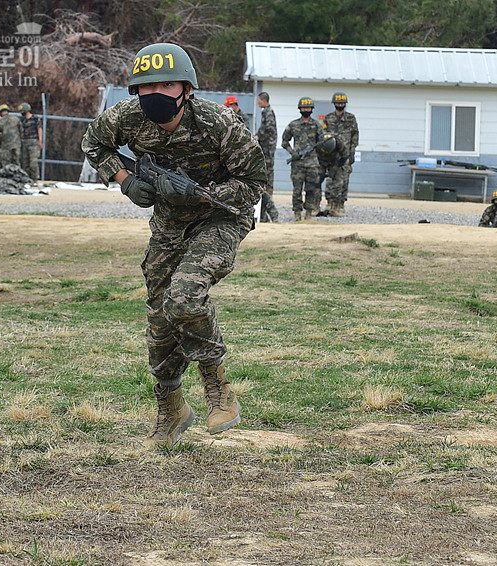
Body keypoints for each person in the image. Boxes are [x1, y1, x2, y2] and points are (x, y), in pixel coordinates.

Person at [81, 42, 266, 449]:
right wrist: (125, 180)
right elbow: (93, 143)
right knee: (160, 320)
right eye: (147, 88)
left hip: (219, 217)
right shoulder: (127, 118)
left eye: (166, 85)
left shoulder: (219, 124)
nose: (156, 95)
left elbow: (254, 185)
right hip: (168, 225)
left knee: (184, 297)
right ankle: (171, 410)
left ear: (186, 88)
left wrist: (198, 193)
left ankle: (219, 389)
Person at [282, 97, 322, 220]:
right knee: (297, 190)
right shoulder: (293, 125)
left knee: (311, 190)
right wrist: (292, 152)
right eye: (304, 108)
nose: (306, 110)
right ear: (300, 109)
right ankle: (297, 214)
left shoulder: (316, 125)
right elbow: (284, 141)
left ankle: (309, 214)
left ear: (312, 109)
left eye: (308, 108)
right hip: (297, 164)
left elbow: (322, 142)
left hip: (312, 164)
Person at [322, 92, 359, 217]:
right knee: (330, 179)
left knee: (344, 179)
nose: (340, 105)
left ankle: (340, 204)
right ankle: (329, 202)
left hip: (346, 154)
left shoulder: (351, 118)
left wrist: (352, 150)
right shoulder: (328, 118)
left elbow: (355, 135)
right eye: (338, 103)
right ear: (334, 104)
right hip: (331, 154)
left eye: (342, 103)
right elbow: (324, 135)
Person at [255, 91, 279, 222]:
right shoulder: (266, 111)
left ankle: (269, 205)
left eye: (259, 100)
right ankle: (264, 214)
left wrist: (259, 136)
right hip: (266, 146)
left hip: (268, 148)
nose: (258, 103)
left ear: (264, 100)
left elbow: (267, 128)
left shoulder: (268, 112)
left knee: (267, 174)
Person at [314, 133, 349, 216]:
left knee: (338, 183)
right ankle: (315, 207)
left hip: (335, 161)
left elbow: (345, 156)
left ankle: (333, 207)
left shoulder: (339, 142)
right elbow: (312, 156)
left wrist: (336, 168)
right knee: (315, 183)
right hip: (320, 161)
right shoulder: (317, 142)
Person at [0, 104, 22, 168]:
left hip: (5, 144)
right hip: (16, 144)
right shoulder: (16, 119)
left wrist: (0, 141)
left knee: (5, 162)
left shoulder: (0, 121)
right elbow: (21, 130)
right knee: (16, 161)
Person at [19, 102, 43, 181]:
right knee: (25, 162)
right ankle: (26, 179)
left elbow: (39, 129)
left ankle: (35, 179)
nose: (21, 113)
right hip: (24, 142)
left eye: (22, 111)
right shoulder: (22, 120)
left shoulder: (35, 118)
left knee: (33, 162)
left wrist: (40, 141)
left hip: (33, 142)